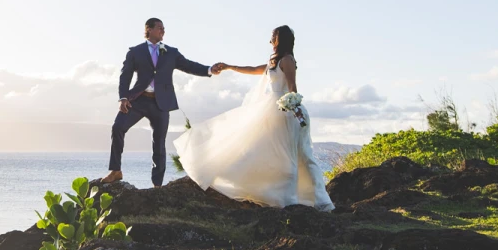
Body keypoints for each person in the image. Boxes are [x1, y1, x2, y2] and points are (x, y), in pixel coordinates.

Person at [173, 25, 335, 210]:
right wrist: (230, 67)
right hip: (273, 111)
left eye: (272, 37)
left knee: (301, 155)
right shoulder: (274, 60)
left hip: (288, 113)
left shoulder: (288, 60)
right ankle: (284, 198)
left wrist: (294, 108)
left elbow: (292, 87)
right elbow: (254, 69)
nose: (270, 41)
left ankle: (318, 201)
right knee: (274, 154)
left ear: (280, 39)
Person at [101, 17, 219, 188]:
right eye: (159, 28)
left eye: (164, 28)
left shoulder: (171, 52)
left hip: (161, 103)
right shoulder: (135, 52)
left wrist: (209, 69)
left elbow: (189, 65)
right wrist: (124, 97)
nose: (163, 31)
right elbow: (125, 76)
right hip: (138, 100)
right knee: (118, 127)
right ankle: (115, 170)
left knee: (159, 143)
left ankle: (157, 185)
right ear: (148, 29)